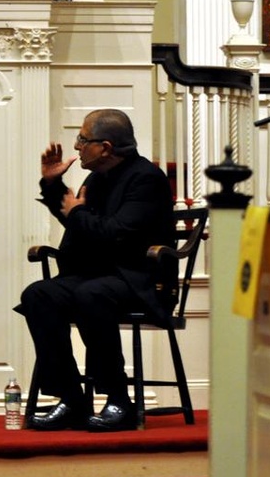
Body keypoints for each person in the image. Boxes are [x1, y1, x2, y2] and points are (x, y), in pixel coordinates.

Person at [16, 108, 176, 433]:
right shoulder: (97, 177)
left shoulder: (146, 179)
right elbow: (79, 222)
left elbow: (114, 234)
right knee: (38, 295)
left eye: (82, 139)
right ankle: (71, 397)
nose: (76, 146)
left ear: (105, 147)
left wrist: (77, 213)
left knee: (91, 294)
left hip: (137, 278)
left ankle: (118, 399)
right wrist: (52, 183)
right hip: (96, 275)